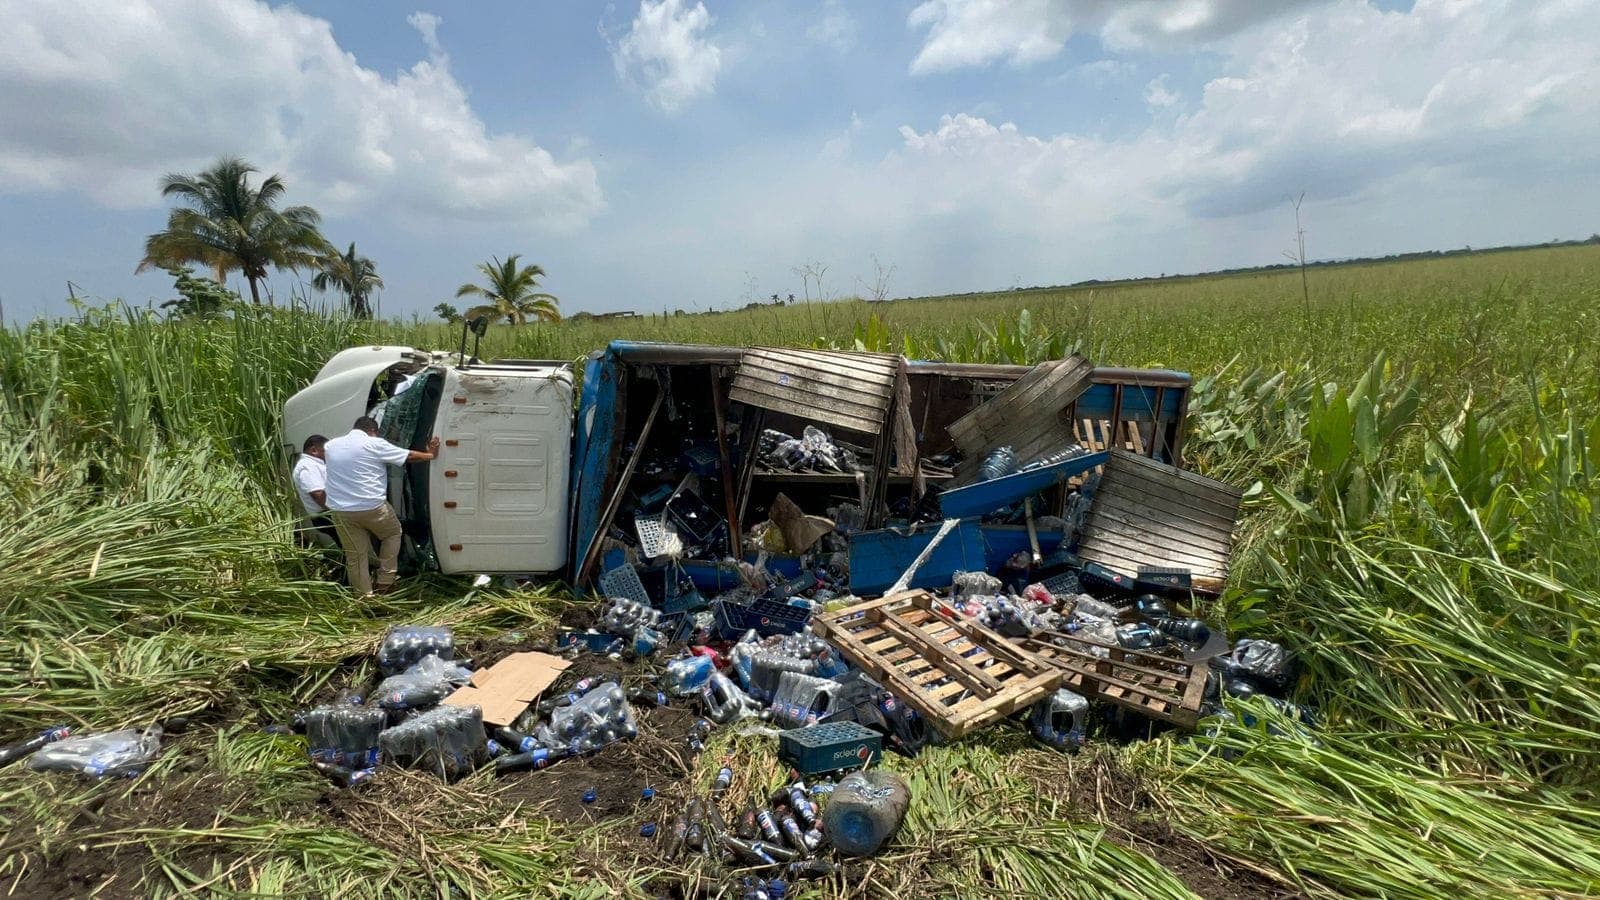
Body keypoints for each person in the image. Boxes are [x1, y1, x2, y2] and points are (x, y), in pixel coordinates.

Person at [323, 416, 440, 596]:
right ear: (372, 431)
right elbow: (408, 456)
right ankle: (385, 582)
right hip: (372, 507)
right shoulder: (374, 443)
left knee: (356, 556)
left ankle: (364, 598)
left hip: (341, 511)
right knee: (392, 533)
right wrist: (430, 455)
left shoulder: (330, 446)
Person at [291, 434, 339, 549]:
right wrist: (338, 510)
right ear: (314, 450)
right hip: (326, 515)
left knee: (347, 545)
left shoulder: (313, 464)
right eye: (325, 451)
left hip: (327, 513)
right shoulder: (308, 466)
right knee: (348, 545)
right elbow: (317, 494)